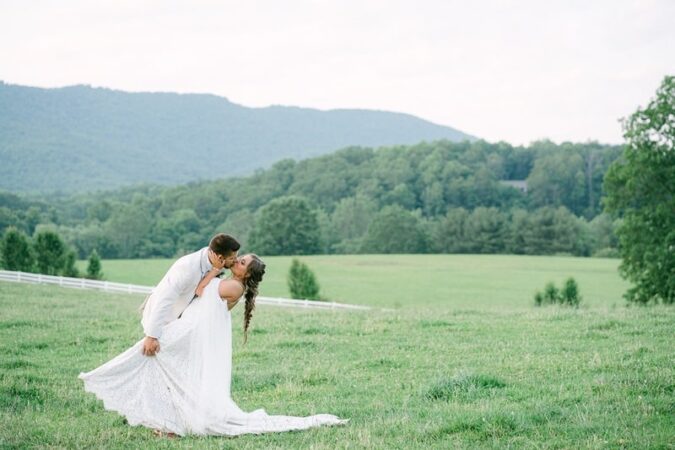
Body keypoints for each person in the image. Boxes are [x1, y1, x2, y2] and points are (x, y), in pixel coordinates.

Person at [79, 253, 348, 436]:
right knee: (161, 364)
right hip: (187, 329)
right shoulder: (230, 282)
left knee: (154, 358)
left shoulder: (234, 287)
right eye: (239, 258)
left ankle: (161, 418)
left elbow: (200, 289)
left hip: (190, 333)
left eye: (241, 262)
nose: (237, 261)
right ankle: (163, 419)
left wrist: (213, 268)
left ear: (245, 273)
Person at [139, 233, 240, 357]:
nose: (236, 260)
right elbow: (164, 299)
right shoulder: (187, 268)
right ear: (219, 258)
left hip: (184, 323)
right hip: (164, 319)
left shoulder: (215, 265)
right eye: (232, 258)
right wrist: (151, 336)